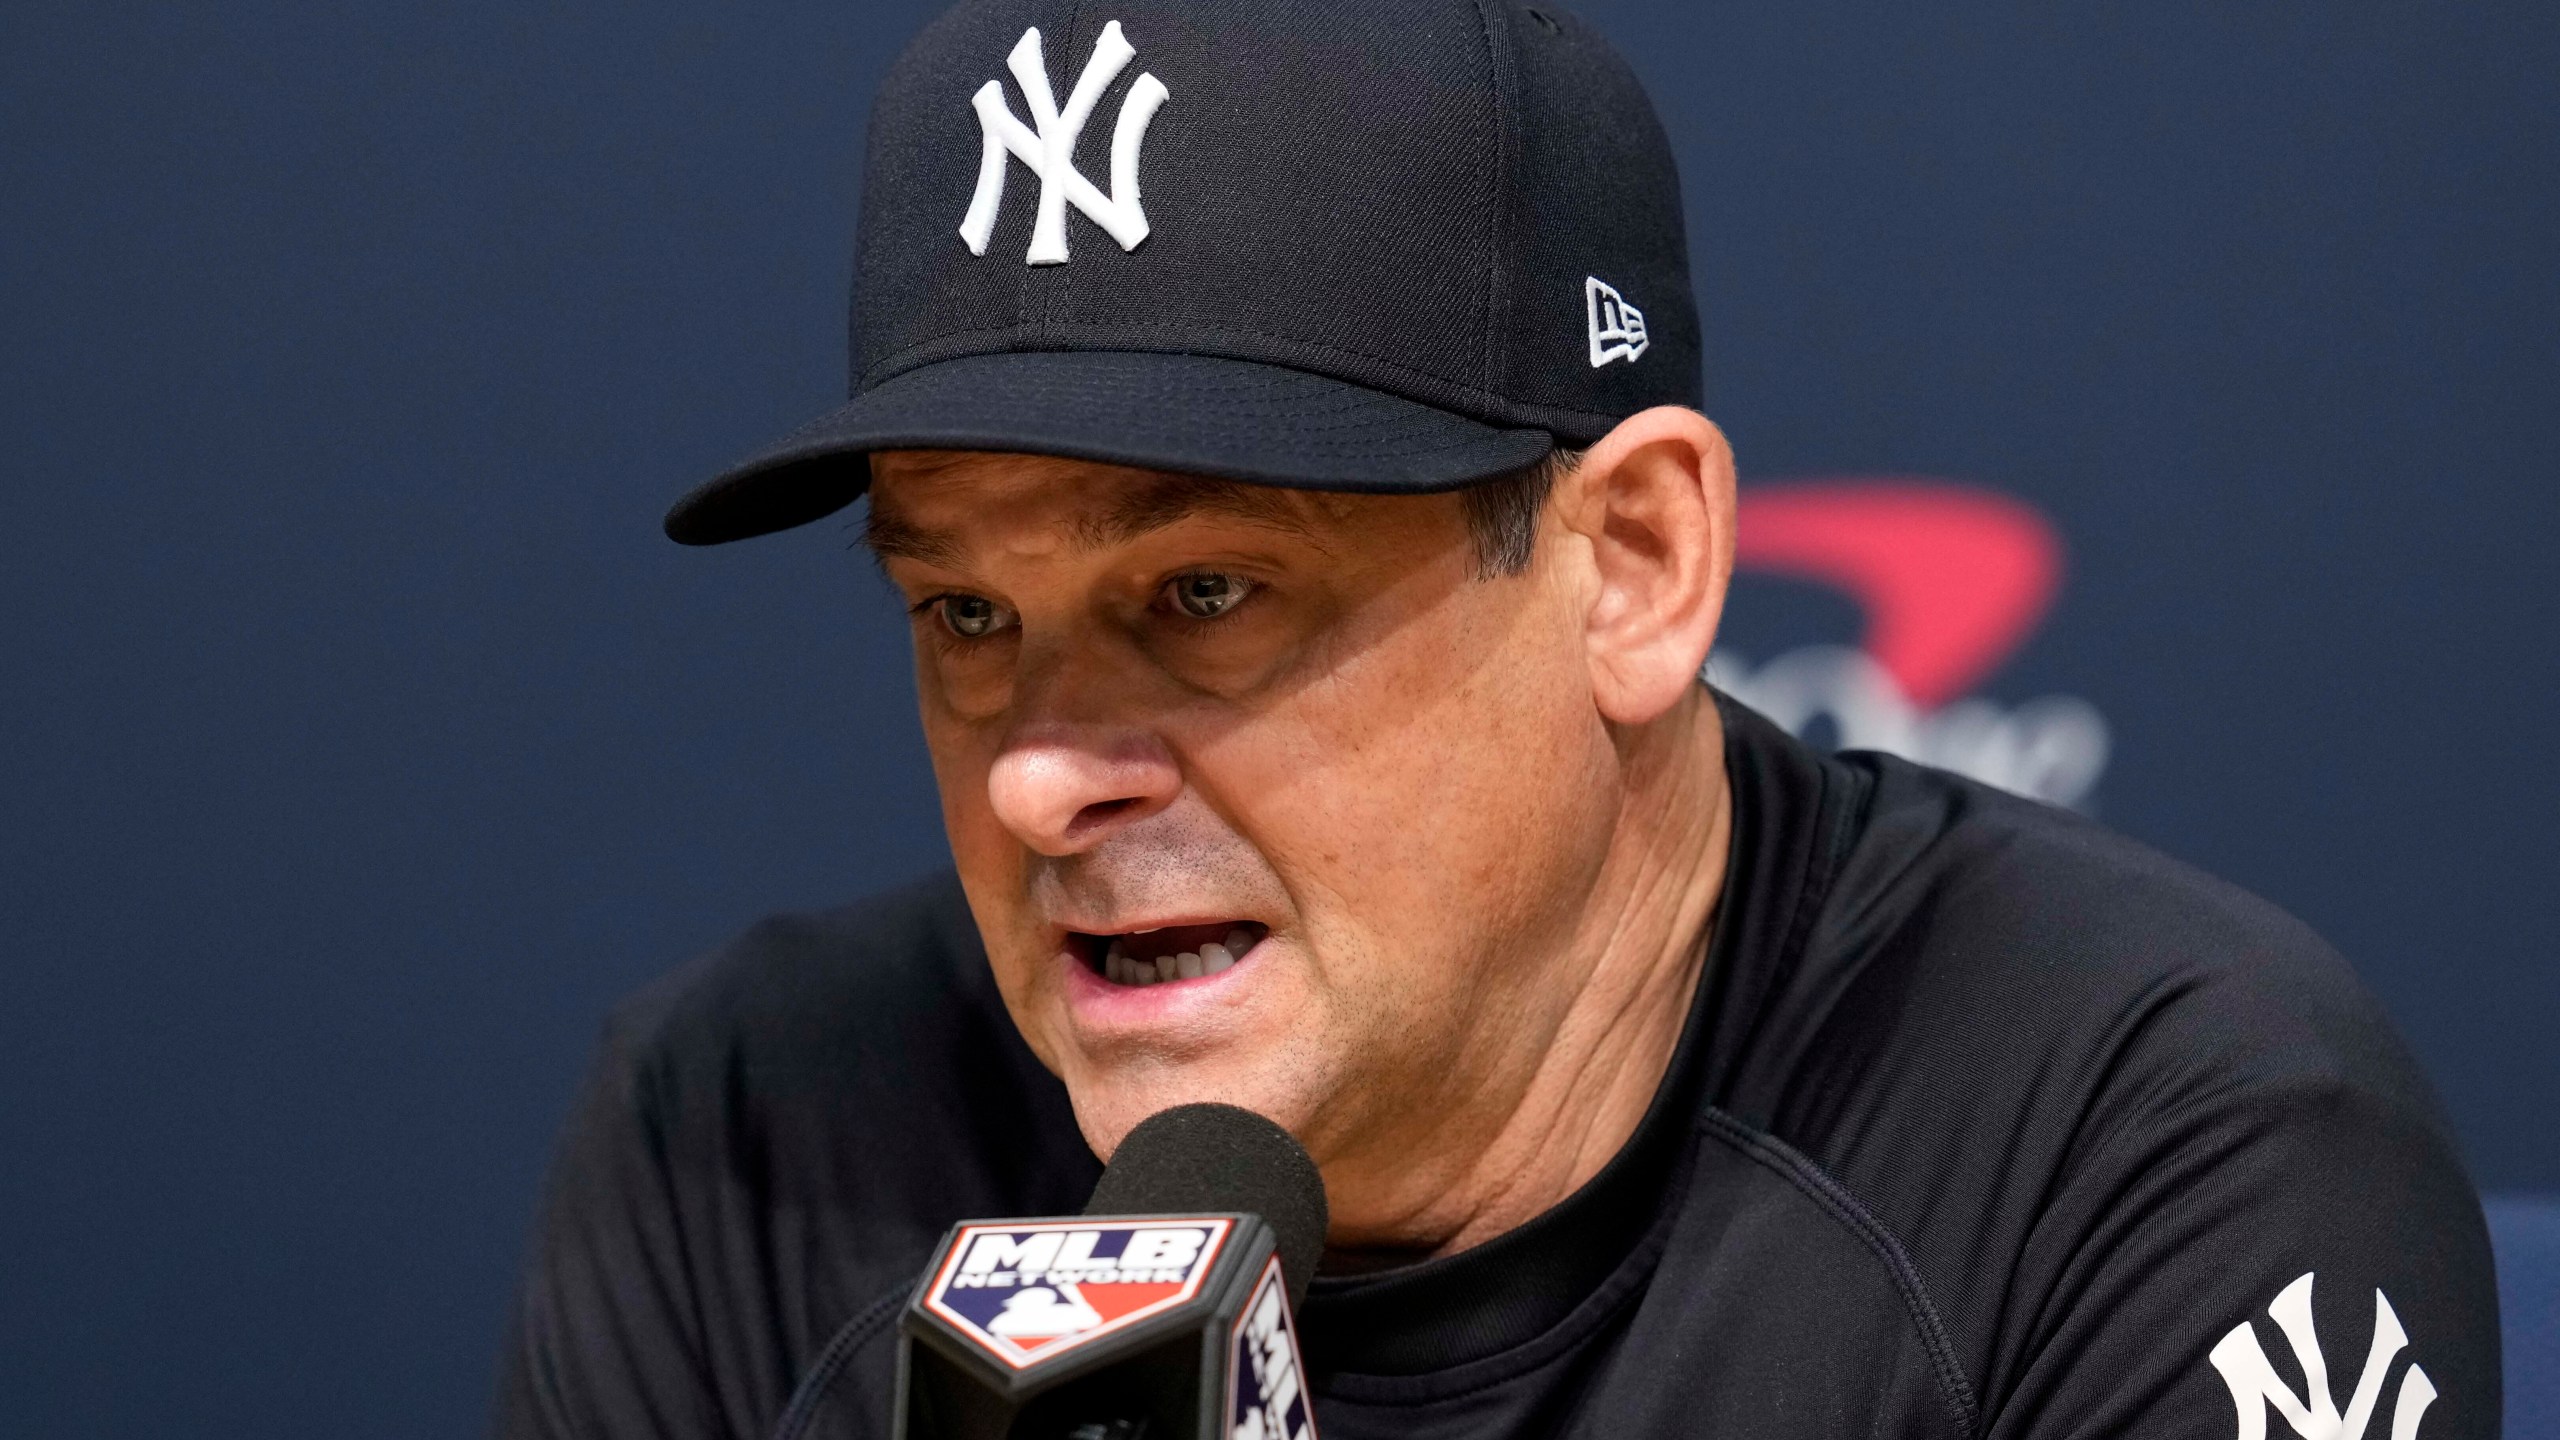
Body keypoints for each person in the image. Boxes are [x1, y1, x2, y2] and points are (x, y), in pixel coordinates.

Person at [493, 2, 2501, 1436]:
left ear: (1627, 563)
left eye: (1203, 593)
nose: (1034, 773)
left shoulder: (2133, 1141)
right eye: (958, 610)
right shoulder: (740, 1143)